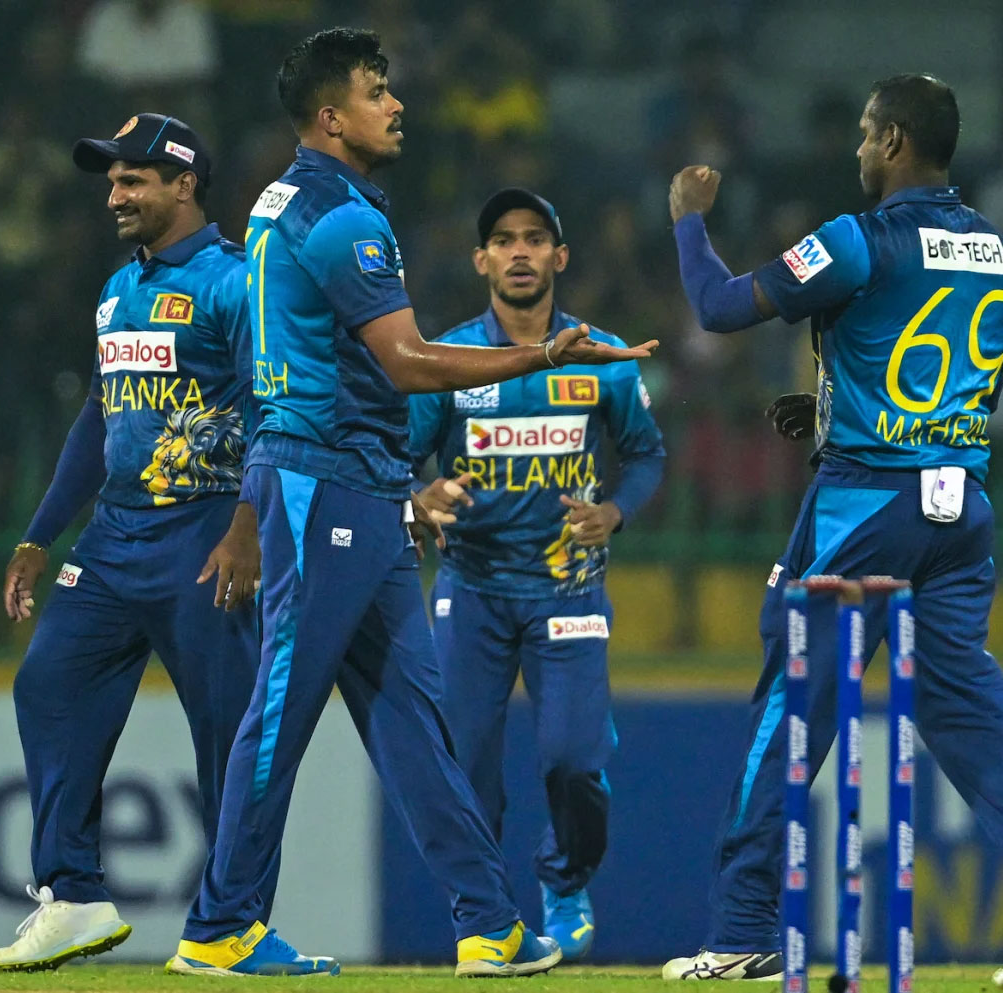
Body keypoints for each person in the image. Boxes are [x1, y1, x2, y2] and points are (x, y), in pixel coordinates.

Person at [168, 29, 656, 979]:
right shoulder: (342, 217)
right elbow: (407, 362)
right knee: (282, 703)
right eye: (376, 91)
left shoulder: (282, 200)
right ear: (330, 117)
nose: (396, 105)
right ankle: (222, 920)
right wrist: (539, 353)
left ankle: (489, 921)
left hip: (358, 480)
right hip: (328, 480)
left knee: (412, 720)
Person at [660, 74, 1003, 986]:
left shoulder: (857, 238)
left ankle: (742, 927)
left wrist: (687, 222)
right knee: (968, 714)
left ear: (898, 141)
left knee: (792, 705)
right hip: (962, 510)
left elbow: (719, 307)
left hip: (867, 505)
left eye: (870, 134)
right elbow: (970, 379)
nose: (860, 149)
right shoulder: (996, 249)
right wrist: (839, 410)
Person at [0, 114, 274, 971]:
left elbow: (274, 410)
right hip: (113, 535)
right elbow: (97, 416)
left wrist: (248, 527)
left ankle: (234, 923)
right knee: (48, 684)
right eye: (111, 181)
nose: (114, 194)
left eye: (133, 179)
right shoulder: (118, 288)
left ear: (185, 183)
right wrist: (40, 533)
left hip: (205, 528)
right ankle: (72, 895)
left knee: (227, 731)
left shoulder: (235, 283)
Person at [408, 188, 666, 960]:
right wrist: (420, 496)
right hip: (471, 588)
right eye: (502, 239)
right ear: (480, 260)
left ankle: (566, 878)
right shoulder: (451, 358)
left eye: (533, 238)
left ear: (560, 256)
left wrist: (614, 512)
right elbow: (397, 457)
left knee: (573, 759)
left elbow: (646, 455)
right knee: (464, 767)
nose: (518, 251)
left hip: (569, 589)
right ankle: (487, 914)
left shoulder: (600, 356)